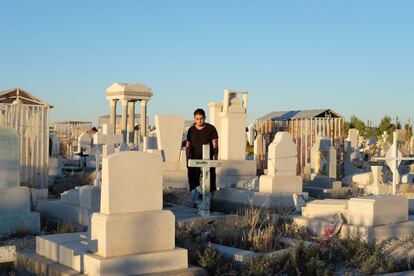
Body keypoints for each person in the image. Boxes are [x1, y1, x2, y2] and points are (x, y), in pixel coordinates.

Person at [186, 108, 219, 207]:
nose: (199, 121)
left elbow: (215, 144)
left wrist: (215, 158)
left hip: (208, 159)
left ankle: (208, 203)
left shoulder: (211, 129)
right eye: (197, 119)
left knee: (209, 181)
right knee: (193, 181)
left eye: (201, 118)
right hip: (194, 159)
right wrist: (186, 159)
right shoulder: (191, 130)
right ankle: (196, 202)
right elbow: (188, 145)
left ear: (204, 118)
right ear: (194, 118)